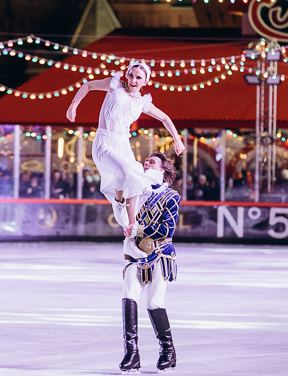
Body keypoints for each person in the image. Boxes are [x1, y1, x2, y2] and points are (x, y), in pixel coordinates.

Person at [66, 61, 184, 257]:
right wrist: (74, 104)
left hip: (123, 144)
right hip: (105, 142)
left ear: (145, 80)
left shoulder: (142, 102)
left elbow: (165, 118)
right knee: (126, 172)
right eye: (131, 75)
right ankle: (119, 202)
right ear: (127, 75)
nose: (134, 80)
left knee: (136, 178)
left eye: (139, 77)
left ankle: (130, 236)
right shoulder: (114, 86)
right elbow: (87, 85)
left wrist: (177, 138)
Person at [120, 151, 179, 373]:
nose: (146, 164)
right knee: (129, 293)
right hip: (138, 254)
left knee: (154, 303)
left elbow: (168, 230)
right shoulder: (138, 193)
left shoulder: (171, 196)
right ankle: (131, 352)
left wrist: (139, 229)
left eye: (151, 162)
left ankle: (168, 351)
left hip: (161, 255)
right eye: (145, 162)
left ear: (162, 169)